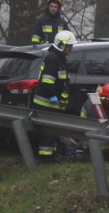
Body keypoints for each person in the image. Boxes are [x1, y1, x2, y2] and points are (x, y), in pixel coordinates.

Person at [32, 30, 76, 160]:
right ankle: (46, 159)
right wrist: (53, 98)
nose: (71, 48)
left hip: (53, 106)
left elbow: (62, 83)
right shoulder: (53, 59)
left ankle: (52, 155)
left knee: (53, 132)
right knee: (48, 133)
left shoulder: (59, 58)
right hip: (46, 105)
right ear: (61, 45)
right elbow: (47, 81)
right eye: (69, 46)